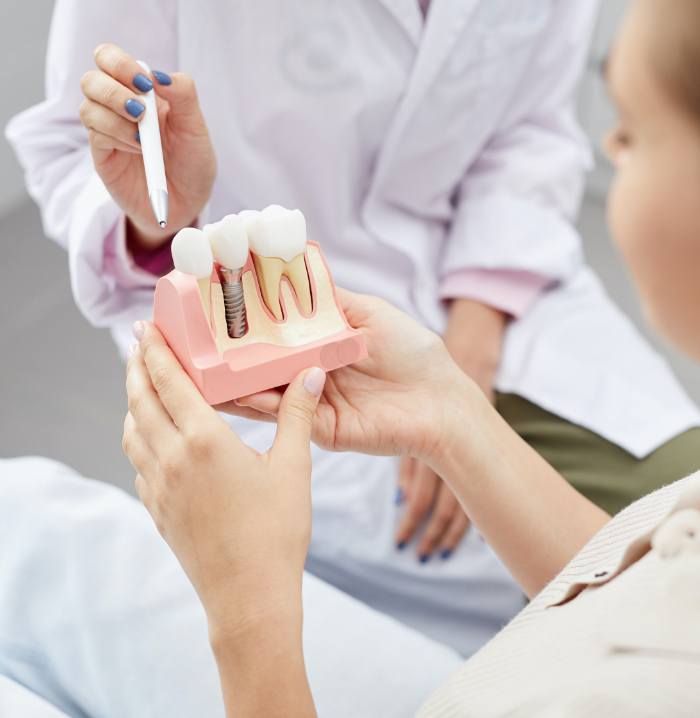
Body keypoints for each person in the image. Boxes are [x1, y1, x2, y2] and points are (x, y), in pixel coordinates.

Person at [6, 0, 700, 654]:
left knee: (660, 539)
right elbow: (77, 145)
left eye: (633, 135)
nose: (614, 140)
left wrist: (471, 346)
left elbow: (531, 130)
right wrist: (157, 215)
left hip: (504, 295)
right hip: (263, 332)